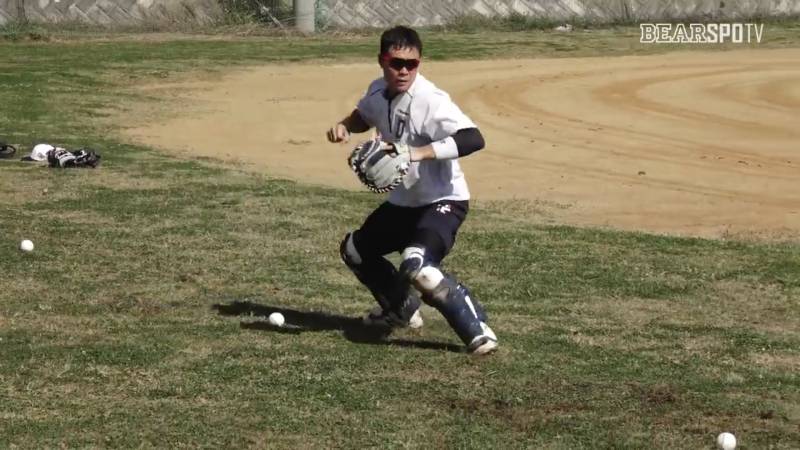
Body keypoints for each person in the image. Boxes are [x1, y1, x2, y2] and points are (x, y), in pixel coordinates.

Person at [326, 26, 497, 355]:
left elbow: (474, 138)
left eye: (412, 64)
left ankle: (478, 332)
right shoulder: (378, 92)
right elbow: (364, 115)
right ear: (382, 61)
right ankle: (403, 309)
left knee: (416, 264)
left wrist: (416, 153)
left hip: (443, 200)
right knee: (355, 250)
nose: (404, 70)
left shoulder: (431, 101)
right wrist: (345, 126)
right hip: (403, 203)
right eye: (396, 63)